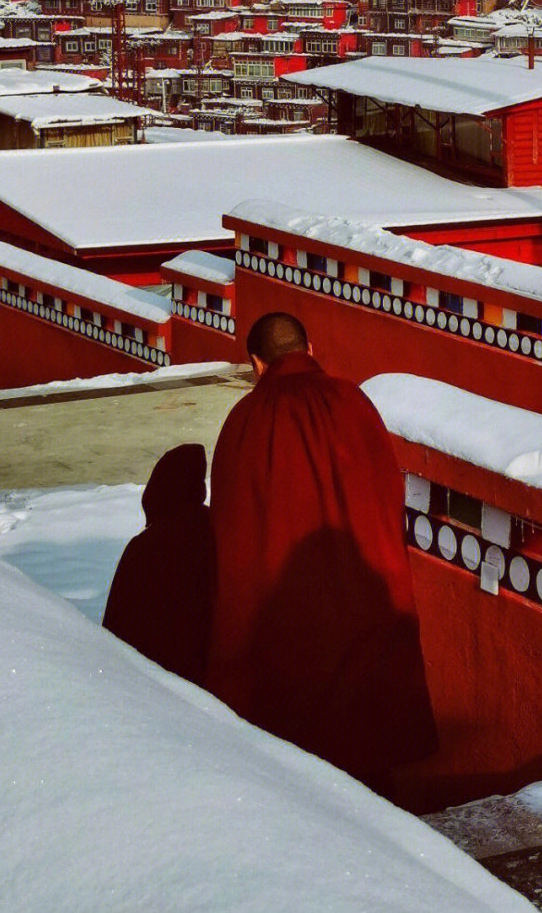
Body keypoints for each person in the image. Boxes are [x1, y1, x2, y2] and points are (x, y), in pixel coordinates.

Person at [206, 312, 436, 795]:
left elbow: (234, 539)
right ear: (309, 350)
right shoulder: (354, 403)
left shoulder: (244, 424)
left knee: (303, 791)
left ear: (257, 364)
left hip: (288, 640)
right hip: (367, 619)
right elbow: (388, 494)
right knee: (373, 780)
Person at [102, 442, 214, 685]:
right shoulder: (217, 532)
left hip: (151, 680)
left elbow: (116, 627)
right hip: (209, 676)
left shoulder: (143, 547)